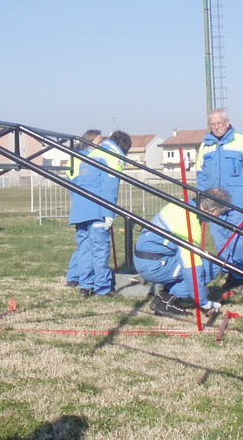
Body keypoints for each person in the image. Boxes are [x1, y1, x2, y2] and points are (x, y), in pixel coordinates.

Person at [133, 187, 228, 317]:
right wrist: (203, 302)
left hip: (145, 257)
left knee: (201, 260)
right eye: (219, 214)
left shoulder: (182, 203)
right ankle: (167, 301)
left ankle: (165, 296)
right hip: (154, 265)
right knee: (213, 264)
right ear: (212, 210)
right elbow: (192, 269)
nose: (219, 217)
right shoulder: (189, 225)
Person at [195, 108, 243, 290]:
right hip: (214, 205)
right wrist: (201, 199)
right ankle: (229, 274)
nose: (217, 127)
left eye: (219, 123)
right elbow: (201, 175)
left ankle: (240, 277)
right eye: (213, 124)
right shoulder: (205, 146)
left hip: (237, 204)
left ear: (227, 122)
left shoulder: (242, 142)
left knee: (237, 242)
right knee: (221, 242)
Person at [68, 130, 131, 298]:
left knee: (85, 249)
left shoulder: (91, 154)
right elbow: (109, 186)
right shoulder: (113, 157)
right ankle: (102, 286)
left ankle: (85, 286)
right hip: (97, 210)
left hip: (80, 210)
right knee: (100, 249)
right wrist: (108, 212)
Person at [65, 129, 102, 290]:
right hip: (89, 206)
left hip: (81, 207)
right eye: (99, 142)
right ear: (89, 142)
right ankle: (83, 278)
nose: (101, 145)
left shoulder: (77, 158)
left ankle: (73, 276)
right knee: (89, 245)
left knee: (84, 244)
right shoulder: (88, 159)